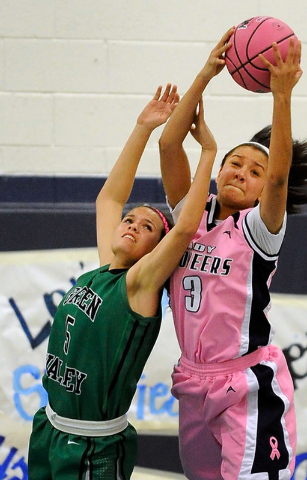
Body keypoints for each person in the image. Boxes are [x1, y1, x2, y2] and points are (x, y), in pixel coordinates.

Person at [27, 84, 218, 480]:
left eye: (146, 226)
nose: (130, 225)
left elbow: (183, 230)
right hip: (48, 428)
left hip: (93, 446)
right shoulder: (103, 269)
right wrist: (142, 128)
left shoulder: (139, 286)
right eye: (130, 221)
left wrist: (207, 154)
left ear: (155, 250)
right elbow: (108, 201)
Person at [159, 29, 307, 480]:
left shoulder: (257, 230)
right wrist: (206, 74)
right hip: (192, 382)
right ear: (218, 170)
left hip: (246, 385)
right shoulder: (191, 217)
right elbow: (169, 145)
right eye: (236, 163)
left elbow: (277, 180)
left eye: (255, 171)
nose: (243, 173)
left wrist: (281, 95)